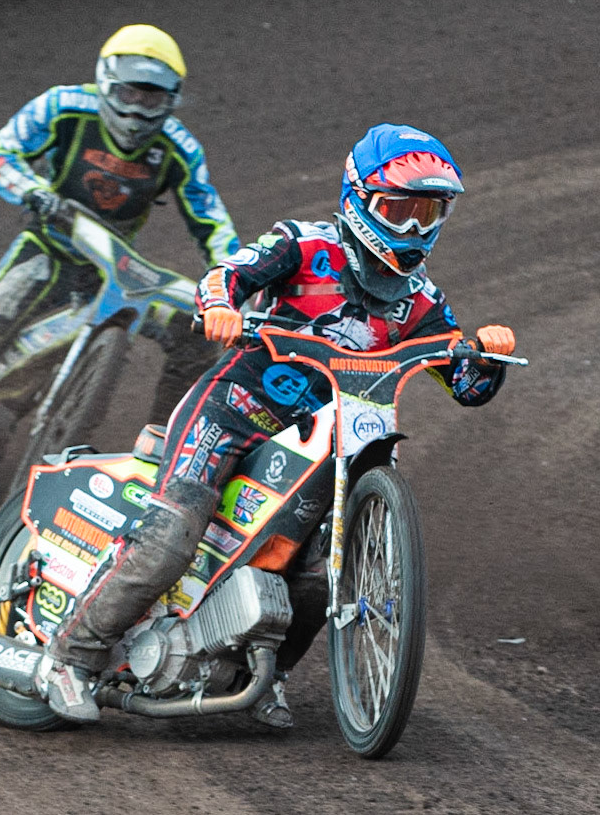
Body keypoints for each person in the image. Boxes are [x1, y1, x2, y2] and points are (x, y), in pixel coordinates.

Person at [34, 123, 518, 723]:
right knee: (170, 535)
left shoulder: (421, 303)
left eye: (430, 212)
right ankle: (70, 656)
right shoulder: (304, 244)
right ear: (359, 199)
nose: (416, 228)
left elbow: (466, 387)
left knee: (318, 570)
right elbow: (227, 275)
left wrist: (488, 357)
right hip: (233, 411)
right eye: (401, 209)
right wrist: (219, 309)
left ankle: (264, 676)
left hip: (321, 444)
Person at [0, 23, 240, 463]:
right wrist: (34, 192)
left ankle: (165, 448)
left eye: (152, 99)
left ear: (172, 99)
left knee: (192, 328)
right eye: (128, 95)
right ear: (106, 83)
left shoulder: (181, 149)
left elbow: (212, 222)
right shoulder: (65, 106)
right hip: (44, 252)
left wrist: (235, 282)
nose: (138, 110)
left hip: (111, 274)